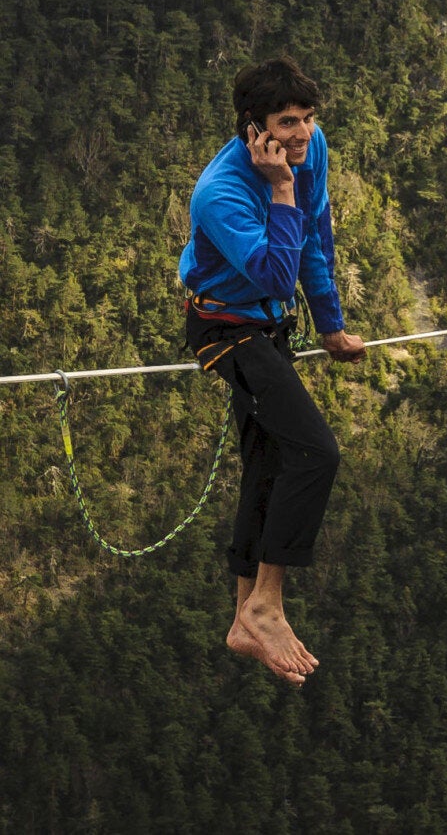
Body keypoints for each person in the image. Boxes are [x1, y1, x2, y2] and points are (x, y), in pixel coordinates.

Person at [179, 56, 366, 686]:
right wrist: (282, 188)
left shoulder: (313, 152)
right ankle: (267, 602)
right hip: (226, 329)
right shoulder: (220, 192)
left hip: (270, 324)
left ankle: (242, 617)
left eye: (309, 119)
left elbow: (315, 240)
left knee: (266, 461)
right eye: (287, 122)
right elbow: (272, 273)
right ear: (253, 126)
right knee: (315, 453)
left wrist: (330, 324)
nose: (302, 134)